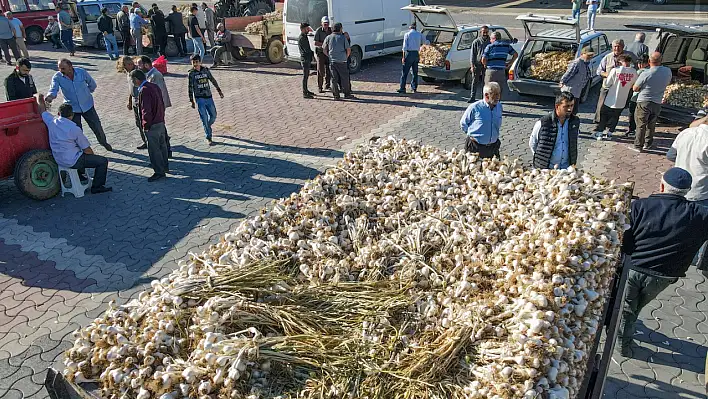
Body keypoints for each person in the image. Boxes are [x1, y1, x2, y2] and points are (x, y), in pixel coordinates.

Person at [619, 167, 708, 357]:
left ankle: (622, 345)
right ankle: (625, 331)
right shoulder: (700, 215)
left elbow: (625, 238)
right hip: (665, 276)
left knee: (626, 309)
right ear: (687, 191)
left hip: (634, 268)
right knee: (637, 306)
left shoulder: (640, 206)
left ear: (661, 186)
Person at [41, 101, 112, 194]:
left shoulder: (51, 122)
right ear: (72, 115)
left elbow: (42, 111)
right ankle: (97, 187)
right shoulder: (74, 128)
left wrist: (39, 98)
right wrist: (93, 157)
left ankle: (81, 176)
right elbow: (87, 150)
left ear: (58, 113)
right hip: (73, 160)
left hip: (58, 159)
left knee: (80, 155)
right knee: (102, 161)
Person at [46, 59, 113, 152]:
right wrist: (49, 98)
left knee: (96, 126)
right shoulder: (57, 77)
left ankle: (103, 142)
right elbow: (53, 89)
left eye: (63, 68)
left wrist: (86, 93)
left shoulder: (81, 72)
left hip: (87, 105)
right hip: (72, 109)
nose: (61, 70)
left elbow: (92, 84)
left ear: (70, 67)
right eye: (59, 68)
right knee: (77, 131)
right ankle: (81, 150)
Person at [131, 69, 169, 182]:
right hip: (160, 121)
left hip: (152, 124)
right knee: (163, 146)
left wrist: (145, 125)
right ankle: (165, 166)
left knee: (154, 149)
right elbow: (161, 103)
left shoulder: (144, 90)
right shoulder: (154, 86)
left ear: (136, 80)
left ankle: (159, 171)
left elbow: (145, 110)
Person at [632, 52, 672, 152]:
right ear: (661, 60)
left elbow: (635, 88)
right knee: (651, 124)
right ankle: (648, 144)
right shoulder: (667, 71)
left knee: (641, 124)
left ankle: (638, 146)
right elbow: (668, 82)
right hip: (657, 101)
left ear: (649, 61)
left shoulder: (646, 73)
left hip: (644, 101)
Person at [529, 91, 580, 170]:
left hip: (566, 170)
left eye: (572, 105)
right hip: (546, 170)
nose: (570, 109)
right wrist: (541, 160)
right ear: (557, 106)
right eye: (566, 106)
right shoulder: (543, 123)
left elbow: (574, 142)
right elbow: (532, 143)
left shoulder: (575, 122)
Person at [593, 54, 637, 140]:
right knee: (616, 116)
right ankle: (610, 133)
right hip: (622, 99)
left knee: (604, 115)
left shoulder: (615, 70)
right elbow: (634, 84)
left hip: (610, 97)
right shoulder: (633, 72)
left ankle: (600, 133)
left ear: (620, 62)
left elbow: (607, 83)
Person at [594, 39, 636, 123]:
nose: (617, 48)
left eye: (619, 46)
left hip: (623, 88)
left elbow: (636, 70)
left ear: (623, 47)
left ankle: (611, 124)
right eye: (615, 47)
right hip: (607, 86)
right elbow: (599, 71)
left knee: (618, 108)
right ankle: (598, 123)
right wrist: (608, 75)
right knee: (601, 106)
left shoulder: (630, 56)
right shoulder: (608, 57)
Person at [139, 55, 172, 157]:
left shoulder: (155, 75)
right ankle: (166, 150)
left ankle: (166, 151)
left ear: (146, 65)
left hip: (157, 106)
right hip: (155, 106)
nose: (138, 67)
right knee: (161, 128)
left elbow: (159, 93)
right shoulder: (149, 74)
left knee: (160, 129)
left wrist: (157, 108)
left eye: (139, 65)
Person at [460, 82, 503, 159]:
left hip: (493, 148)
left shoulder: (499, 106)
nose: (498, 97)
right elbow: (463, 124)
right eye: (495, 94)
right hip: (475, 148)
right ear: (486, 95)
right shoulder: (474, 107)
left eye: (499, 94)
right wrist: (472, 135)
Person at [188, 54, 223, 144]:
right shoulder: (191, 73)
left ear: (200, 62)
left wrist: (219, 90)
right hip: (199, 99)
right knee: (204, 117)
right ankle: (208, 136)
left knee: (213, 115)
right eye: (193, 62)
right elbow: (190, 87)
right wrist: (191, 100)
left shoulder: (205, 70)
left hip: (209, 97)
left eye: (197, 62)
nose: (195, 64)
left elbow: (212, 80)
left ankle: (208, 126)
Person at [120, 56, 147, 149]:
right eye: (128, 64)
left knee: (144, 122)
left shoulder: (137, 73)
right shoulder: (128, 73)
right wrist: (129, 101)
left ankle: (149, 141)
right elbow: (130, 89)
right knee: (138, 123)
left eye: (131, 63)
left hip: (141, 100)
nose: (131, 65)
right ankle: (145, 140)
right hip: (134, 101)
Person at [481, 31, 517, 101]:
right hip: (501, 71)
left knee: (488, 89)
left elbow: (483, 59)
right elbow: (515, 54)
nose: (490, 40)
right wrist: (510, 63)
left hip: (491, 71)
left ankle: (487, 103)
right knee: (498, 90)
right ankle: (497, 104)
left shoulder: (490, 46)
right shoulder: (506, 46)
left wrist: (485, 64)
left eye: (491, 39)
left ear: (494, 38)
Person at [322, 22, 353, 100]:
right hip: (342, 61)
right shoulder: (342, 38)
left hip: (332, 61)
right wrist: (346, 56)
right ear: (340, 29)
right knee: (345, 78)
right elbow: (348, 49)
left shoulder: (328, 37)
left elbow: (324, 49)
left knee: (334, 79)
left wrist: (329, 55)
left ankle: (336, 95)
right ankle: (347, 94)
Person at [559, 47, 594, 115]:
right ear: (582, 54)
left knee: (573, 111)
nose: (590, 57)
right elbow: (568, 73)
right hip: (570, 91)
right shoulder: (577, 63)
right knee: (566, 110)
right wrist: (562, 82)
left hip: (577, 92)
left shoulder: (586, 64)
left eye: (591, 55)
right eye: (588, 55)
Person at [398, 22, 427, 94]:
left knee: (405, 72)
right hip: (416, 54)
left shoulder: (407, 34)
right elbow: (425, 42)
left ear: (410, 27)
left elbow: (404, 47)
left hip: (409, 53)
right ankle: (414, 88)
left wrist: (403, 57)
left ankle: (402, 88)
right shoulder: (419, 34)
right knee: (415, 72)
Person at [627, 54, 649, 136]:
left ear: (647, 63)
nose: (640, 65)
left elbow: (634, 85)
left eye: (642, 63)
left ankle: (632, 130)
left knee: (632, 113)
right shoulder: (651, 71)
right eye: (639, 63)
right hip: (646, 98)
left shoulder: (639, 72)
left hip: (636, 97)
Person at [468, 25, 490, 103]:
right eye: (484, 32)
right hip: (477, 64)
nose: (485, 34)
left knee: (486, 82)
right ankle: (472, 97)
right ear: (481, 32)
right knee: (475, 81)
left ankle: (484, 98)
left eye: (486, 32)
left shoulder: (490, 41)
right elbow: (472, 55)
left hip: (487, 65)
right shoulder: (476, 42)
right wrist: (472, 65)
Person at [313, 16, 332, 93]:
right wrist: (324, 44)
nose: (326, 25)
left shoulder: (330, 30)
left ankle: (327, 85)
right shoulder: (319, 31)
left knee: (329, 69)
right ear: (322, 24)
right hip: (320, 52)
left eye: (327, 24)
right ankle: (320, 87)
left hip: (328, 53)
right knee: (320, 70)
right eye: (324, 24)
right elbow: (315, 42)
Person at [298, 23, 315, 99]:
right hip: (305, 59)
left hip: (307, 59)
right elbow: (306, 50)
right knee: (305, 76)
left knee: (307, 76)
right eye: (306, 28)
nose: (308, 30)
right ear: (302, 29)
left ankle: (306, 90)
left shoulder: (304, 36)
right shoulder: (302, 38)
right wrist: (312, 53)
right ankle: (305, 92)